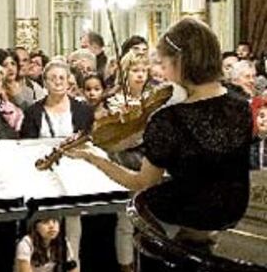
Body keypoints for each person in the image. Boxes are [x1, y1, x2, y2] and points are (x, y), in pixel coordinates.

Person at [66, 17, 252, 242]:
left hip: (193, 215)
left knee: (139, 206)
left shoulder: (169, 119)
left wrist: (93, 157)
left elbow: (141, 182)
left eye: (164, 65)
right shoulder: (241, 104)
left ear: (180, 63)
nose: (163, 76)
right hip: (235, 208)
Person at [20, 60, 94, 265]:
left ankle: (72, 269)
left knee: (72, 222)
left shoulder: (83, 110)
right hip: (44, 174)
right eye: (53, 78)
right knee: (46, 223)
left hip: (74, 174)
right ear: (45, 82)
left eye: (62, 77)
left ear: (69, 80)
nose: (58, 82)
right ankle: (43, 267)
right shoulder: (33, 112)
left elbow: (89, 140)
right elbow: (26, 144)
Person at [250, 96, 267, 170]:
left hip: (256, 130)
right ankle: (255, 165)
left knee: (255, 148)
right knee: (256, 148)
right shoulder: (259, 103)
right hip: (256, 130)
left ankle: (255, 165)